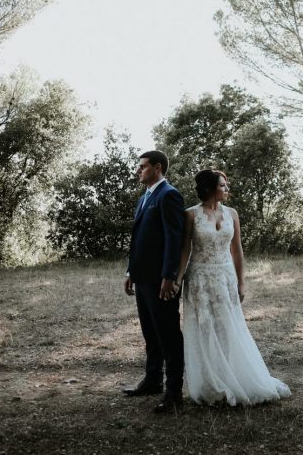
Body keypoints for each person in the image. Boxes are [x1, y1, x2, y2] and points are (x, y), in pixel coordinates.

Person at [174, 169, 290, 406]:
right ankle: (211, 384)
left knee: (228, 328)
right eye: (223, 186)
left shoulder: (232, 214)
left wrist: (241, 281)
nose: (227, 190)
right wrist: (177, 279)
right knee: (204, 328)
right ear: (209, 188)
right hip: (199, 279)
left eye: (226, 186)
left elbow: (237, 250)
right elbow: (185, 250)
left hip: (226, 277)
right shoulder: (190, 215)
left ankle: (233, 376)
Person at [122, 150, 185, 413]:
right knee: (150, 332)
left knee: (168, 334)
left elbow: (174, 239)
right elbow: (140, 240)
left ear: (157, 168)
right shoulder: (144, 198)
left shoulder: (169, 195)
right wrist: (130, 272)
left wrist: (169, 276)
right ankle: (152, 380)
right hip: (142, 278)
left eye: (143, 166)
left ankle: (173, 392)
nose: (138, 170)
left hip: (161, 280)